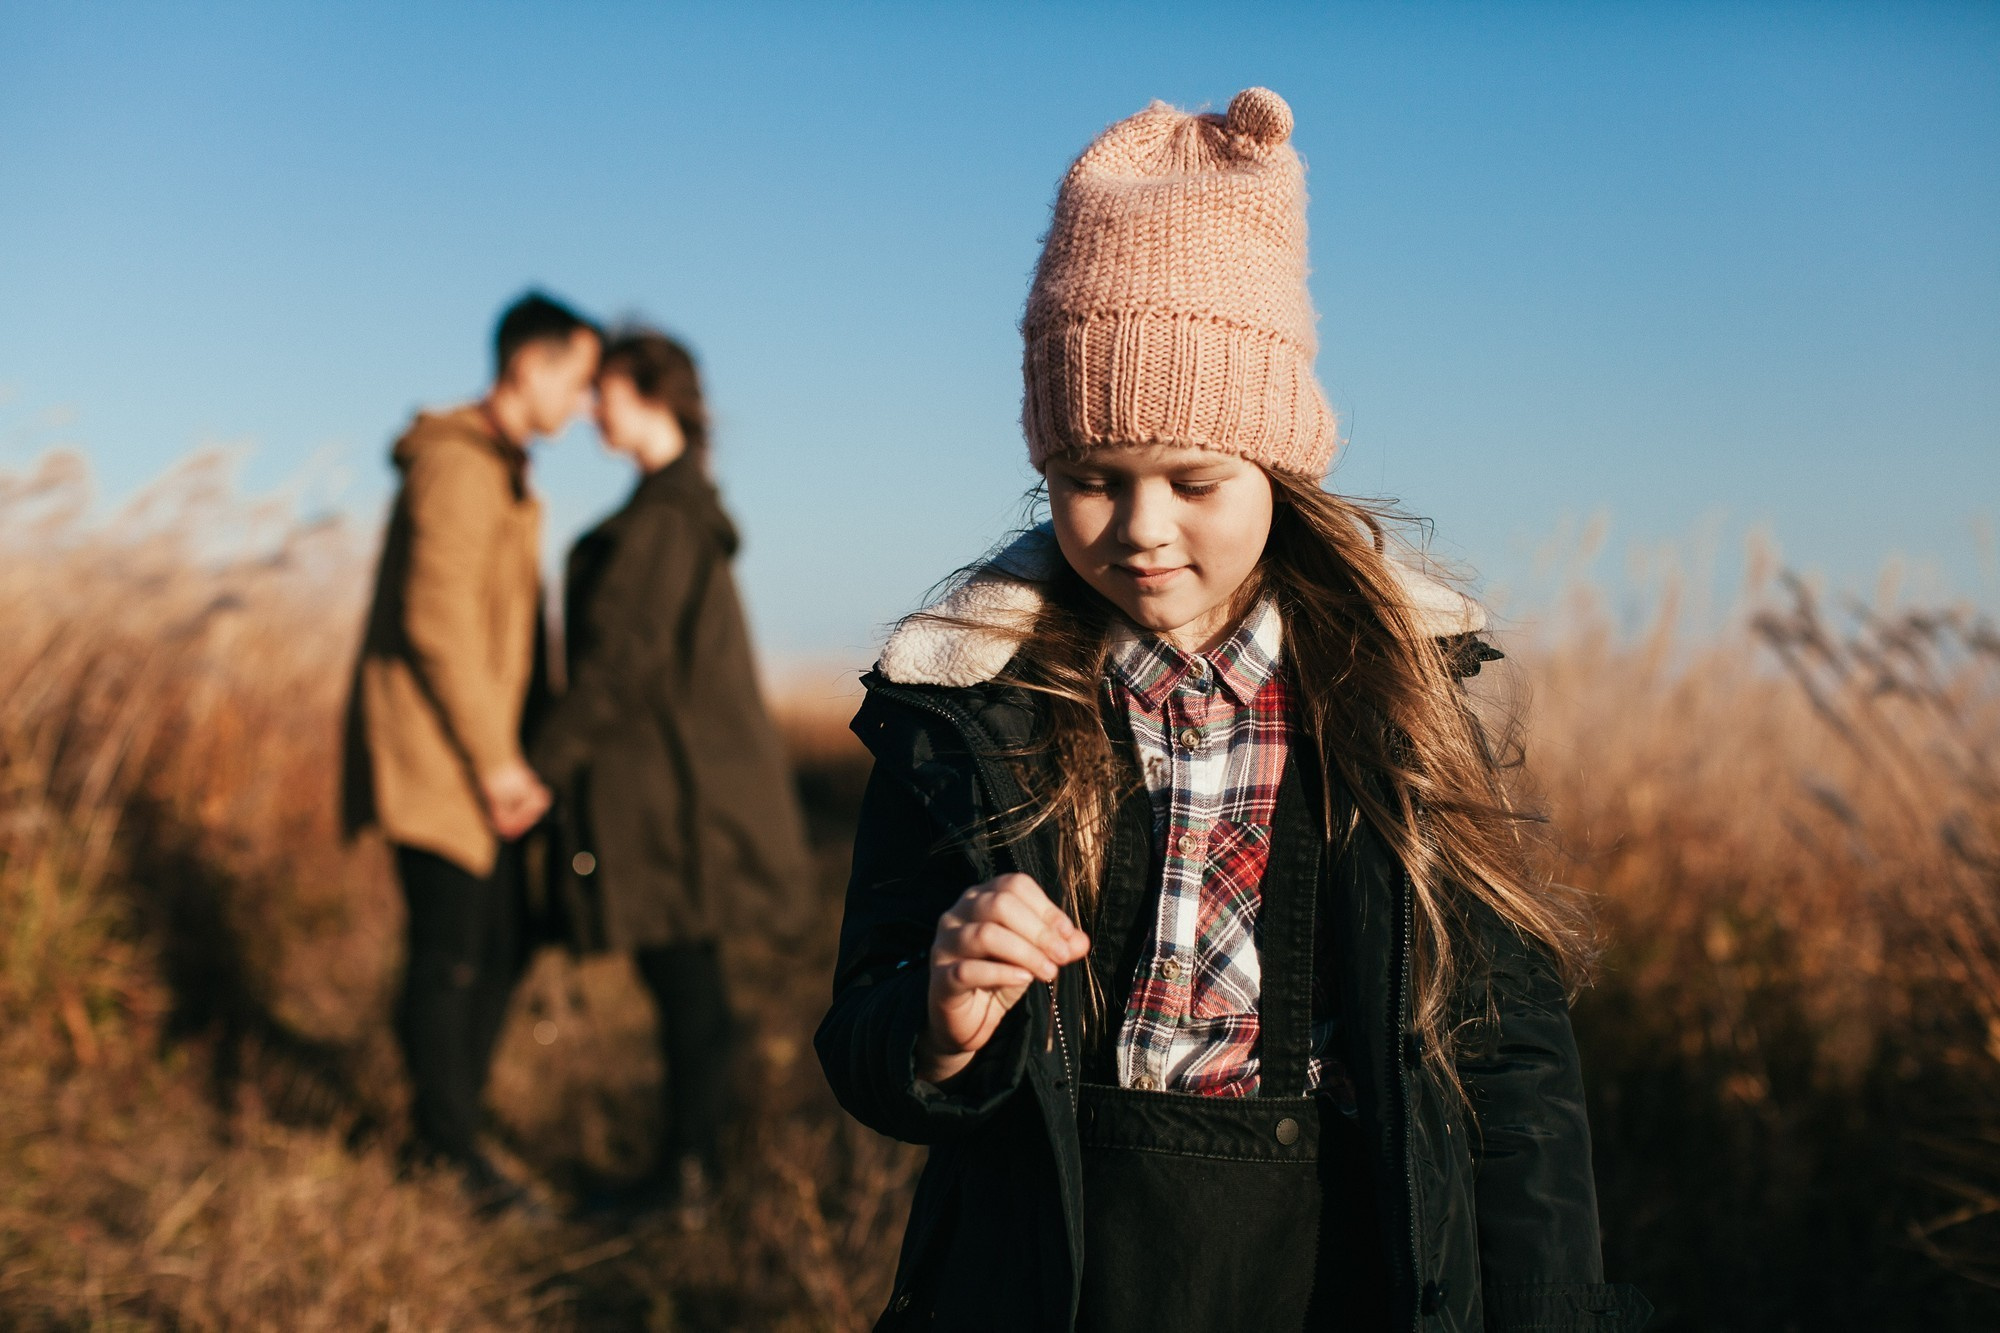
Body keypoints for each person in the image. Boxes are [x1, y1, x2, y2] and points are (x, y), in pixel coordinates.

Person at [814, 90, 1650, 1331]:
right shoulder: (970, 708)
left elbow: (1507, 1057)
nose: (1140, 529)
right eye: (1088, 481)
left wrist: (1546, 1310)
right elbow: (868, 1042)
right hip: (1051, 1269)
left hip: (1333, 1270)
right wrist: (938, 1018)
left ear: (1278, 463)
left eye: (1192, 479)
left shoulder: (1398, 700)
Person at [530, 326, 813, 1222]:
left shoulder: (663, 519)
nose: (588, 407)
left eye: (602, 389)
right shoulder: (678, 507)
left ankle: (683, 1180)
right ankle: (695, 1168)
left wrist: (539, 769)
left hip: (672, 798)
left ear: (649, 394)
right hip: (678, 788)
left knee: (685, 982)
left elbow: (621, 665)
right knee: (691, 982)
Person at [343, 291, 601, 1206]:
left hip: (481, 758)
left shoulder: (499, 466)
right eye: (576, 379)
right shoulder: (457, 464)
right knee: (452, 953)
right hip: (443, 760)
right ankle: (444, 1151)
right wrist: (496, 760)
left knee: (496, 940)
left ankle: (448, 1130)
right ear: (529, 368)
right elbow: (437, 620)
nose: (582, 402)